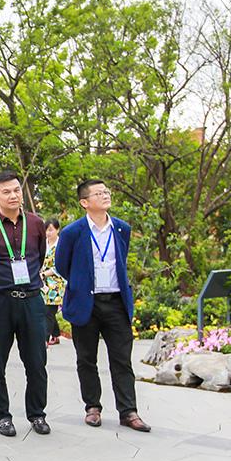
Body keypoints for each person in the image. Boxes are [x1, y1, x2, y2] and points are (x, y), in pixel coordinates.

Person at [55, 179, 151, 432]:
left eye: (106, 192)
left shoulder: (121, 228)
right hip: (85, 302)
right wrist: (81, 282)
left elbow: (121, 259)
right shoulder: (72, 232)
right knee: (86, 359)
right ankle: (92, 407)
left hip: (116, 302)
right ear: (84, 202)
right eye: (98, 193)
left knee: (122, 359)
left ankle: (128, 411)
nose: (105, 195)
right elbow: (62, 265)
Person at [0, 171, 50, 437]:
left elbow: (40, 256)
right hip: (0, 303)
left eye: (17, 190)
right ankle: (2, 417)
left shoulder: (36, 223)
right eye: (6, 191)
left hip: (32, 301)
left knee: (37, 363)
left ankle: (37, 414)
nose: (13, 195)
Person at [41, 218, 65, 345]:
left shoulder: (61, 245)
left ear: (57, 230)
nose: (48, 233)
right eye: (46, 230)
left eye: (51, 230)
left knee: (48, 311)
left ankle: (45, 339)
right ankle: (55, 334)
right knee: (46, 310)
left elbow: (60, 266)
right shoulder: (42, 244)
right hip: (42, 282)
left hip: (56, 282)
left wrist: (45, 274)